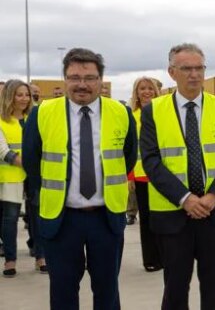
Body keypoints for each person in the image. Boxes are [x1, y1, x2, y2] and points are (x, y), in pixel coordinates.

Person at [22, 47, 136, 310]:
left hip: (106, 218)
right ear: (65, 79)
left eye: (89, 78)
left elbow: (128, 156)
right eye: (74, 77)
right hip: (62, 220)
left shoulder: (121, 112)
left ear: (100, 81)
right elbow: (32, 162)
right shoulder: (43, 113)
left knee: (107, 291)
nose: (81, 84)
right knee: (62, 292)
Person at [141, 43, 215, 310]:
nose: (194, 75)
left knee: (214, 285)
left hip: (214, 211)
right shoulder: (154, 110)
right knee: (175, 286)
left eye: (199, 68)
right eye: (186, 69)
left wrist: (213, 195)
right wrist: (185, 198)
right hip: (172, 214)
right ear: (172, 72)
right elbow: (151, 161)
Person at [128, 76, 163, 271]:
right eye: (142, 88)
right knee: (147, 220)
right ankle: (150, 259)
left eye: (150, 88)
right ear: (137, 92)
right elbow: (130, 149)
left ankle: (165, 255)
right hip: (141, 175)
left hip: (162, 175)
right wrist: (130, 176)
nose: (147, 91)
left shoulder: (164, 113)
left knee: (164, 219)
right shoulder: (132, 117)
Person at [0, 80, 33, 277]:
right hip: (11, 176)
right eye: (19, 94)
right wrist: (26, 162)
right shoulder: (1, 120)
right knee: (10, 219)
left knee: (37, 218)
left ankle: (40, 256)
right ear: (9, 96)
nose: (24, 98)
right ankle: (10, 260)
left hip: (34, 176)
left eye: (26, 94)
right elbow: (3, 150)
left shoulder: (34, 118)